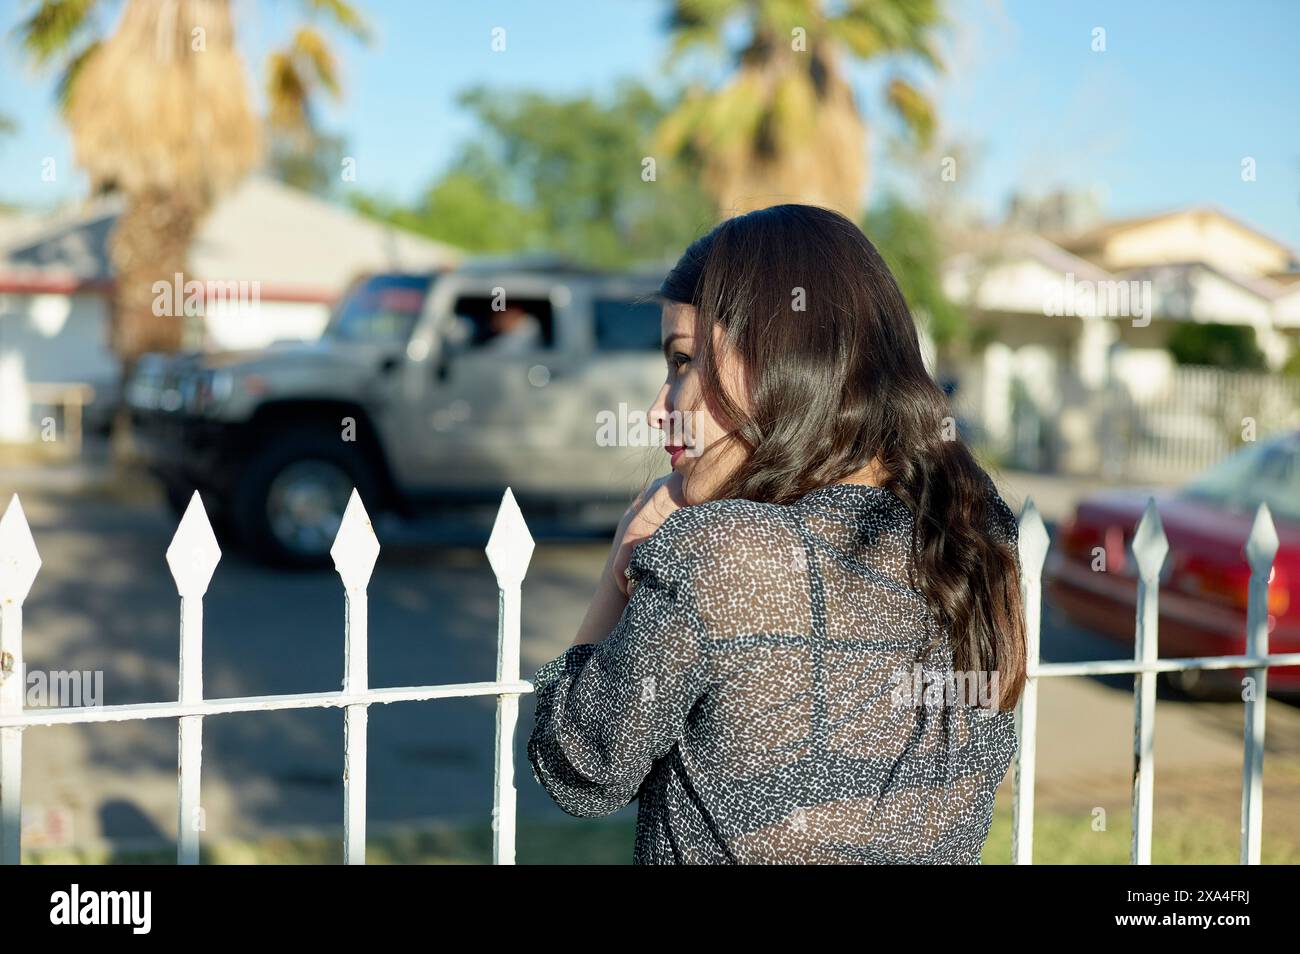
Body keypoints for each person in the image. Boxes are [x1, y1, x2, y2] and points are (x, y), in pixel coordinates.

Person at [526, 204, 1027, 865]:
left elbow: (579, 768)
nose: (658, 410)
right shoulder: (974, 530)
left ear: (783, 359)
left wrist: (624, 553)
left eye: (681, 361)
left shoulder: (719, 554)